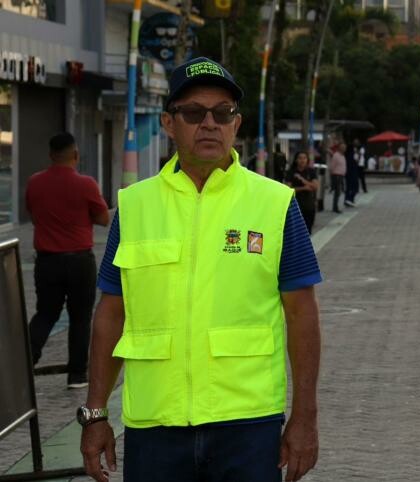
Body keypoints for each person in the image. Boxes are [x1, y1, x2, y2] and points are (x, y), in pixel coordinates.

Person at [79, 58, 322, 482]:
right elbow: (111, 314)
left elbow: (302, 315)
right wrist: (96, 413)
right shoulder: (134, 206)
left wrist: (304, 417)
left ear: (236, 124)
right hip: (155, 423)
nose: (209, 123)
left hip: (248, 422)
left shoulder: (276, 203)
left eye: (222, 113)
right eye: (194, 112)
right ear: (169, 123)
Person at [25, 132, 109, 389]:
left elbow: (33, 214)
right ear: (76, 155)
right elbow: (104, 218)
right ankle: (76, 375)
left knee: (46, 313)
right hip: (80, 261)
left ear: (51, 156)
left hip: (47, 261)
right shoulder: (86, 184)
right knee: (81, 318)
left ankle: (26, 364)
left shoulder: (35, 183)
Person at [285, 151, 320, 234]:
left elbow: (315, 187)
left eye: (304, 158)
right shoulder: (291, 172)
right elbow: (288, 189)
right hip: (295, 206)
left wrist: (302, 180)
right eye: (300, 158)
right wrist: (304, 188)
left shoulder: (311, 171)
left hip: (309, 206)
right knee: (295, 232)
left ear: (307, 160)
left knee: (308, 231)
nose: (302, 160)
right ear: (296, 160)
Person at [328, 142, 346, 213]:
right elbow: (332, 166)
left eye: (344, 147)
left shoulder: (342, 156)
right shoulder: (336, 155)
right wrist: (333, 176)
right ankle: (335, 207)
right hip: (337, 176)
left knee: (339, 192)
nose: (344, 148)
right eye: (342, 147)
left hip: (341, 176)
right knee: (337, 192)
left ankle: (335, 206)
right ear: (339, 148)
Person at [344, 139, 360, 207]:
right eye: (355, 142)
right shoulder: (349, 150)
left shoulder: (356, 151)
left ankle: (350, 199)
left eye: (357, 142)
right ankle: (348, 199)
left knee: (354, 187)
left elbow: (356, 160)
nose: (357, 143)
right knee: (350, 186)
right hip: (349, 171)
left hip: (354, 170)